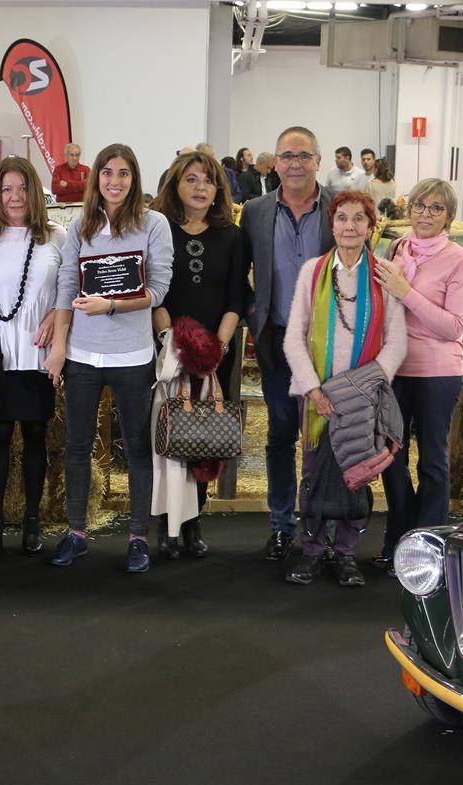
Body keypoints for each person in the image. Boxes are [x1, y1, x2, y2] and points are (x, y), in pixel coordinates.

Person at [45, 143, 173, 573]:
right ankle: (78, 532)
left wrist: (113, 306)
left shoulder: (153, 225)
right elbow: (66, 286)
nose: (114, 181)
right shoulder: (79, 225)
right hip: (82, 354)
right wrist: (59, 346)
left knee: (136, 448)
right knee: (77, 446)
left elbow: (158, 290)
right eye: (107, 172)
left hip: (133, 355)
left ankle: (137, 537)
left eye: (123, 173)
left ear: (134, 179)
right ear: (95, 177)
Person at [283, 189, 407, 585]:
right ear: (331, 224)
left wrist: (366, 388)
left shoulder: (384, 275)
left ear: (372, 226)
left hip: (363, 399)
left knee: (357, 472)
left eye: (358, 218)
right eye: (342, 218)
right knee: (316, 473)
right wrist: (313, 388)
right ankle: (313, 550)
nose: (349, 226)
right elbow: (294, 337)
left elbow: (396, 342)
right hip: (318, 397)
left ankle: (347, 553)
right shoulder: (313, 272)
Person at [240, 126, 335, 562]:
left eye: (303, 155)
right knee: (280, 434)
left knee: (327, 437)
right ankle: (282, 525)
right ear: (275, 162)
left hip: (331, 345)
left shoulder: (340, 209)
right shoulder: (256, 211)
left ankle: (323, 525)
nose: (295, 163)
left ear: (318, 161)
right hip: (277, 339)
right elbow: (240, 273)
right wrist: (253, 315)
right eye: (286, 155)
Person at [149, 151, 247, 559]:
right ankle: (166, 526)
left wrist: (217, 347)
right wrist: (171, 340)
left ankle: (194, 522)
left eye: (208, 180)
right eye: (191, 179)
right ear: (176, 185)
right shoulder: (159, 229)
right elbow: (154, 287)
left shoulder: (232, 235)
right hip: (170, 349)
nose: (200, 187)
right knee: (169, 435)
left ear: (218, 189)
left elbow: (237, 296)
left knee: (205, 436)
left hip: (214, 353)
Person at [0, 157, 65, 558]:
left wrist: (57, 317)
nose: (15, 197)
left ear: (34, 192)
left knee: (37, 436)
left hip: (39, 355)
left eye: (22, 189)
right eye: (7, 189)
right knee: (0, 438)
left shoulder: (57, 237)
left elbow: (70, 288)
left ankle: (32, 522)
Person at [375, 178, 463, 575]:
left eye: (436, 208)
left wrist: (404, 291)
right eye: (419, 206)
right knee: (391, 459)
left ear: (449, 216)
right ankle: (398, 535)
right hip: (396, 369)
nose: (425, 214)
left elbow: (453, 326)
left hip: (437, 373)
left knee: (432, 461)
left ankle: (429, 546)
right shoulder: (397, 248)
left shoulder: (458, 259)